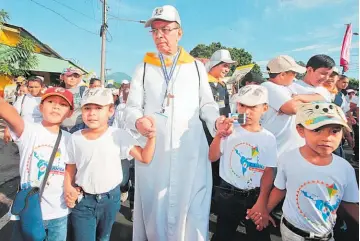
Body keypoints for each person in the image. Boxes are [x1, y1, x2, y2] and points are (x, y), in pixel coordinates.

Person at [124, 5, 232, 241]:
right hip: (155, 152)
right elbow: (130, 108)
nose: (159, 35)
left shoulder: (195, 67)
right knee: (154, 212)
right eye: (154, 31)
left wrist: (217, 122)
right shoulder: (143, 68)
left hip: (190, 151)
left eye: (165, 29)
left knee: (192, 212)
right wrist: (137, 121)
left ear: (179, 32)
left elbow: (207, 105)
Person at [255, 102, 359, 241]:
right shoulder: (287, 159)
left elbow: (350, 203)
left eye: (335, 131)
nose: (327, 138)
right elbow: (280, 189)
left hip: (326, 235)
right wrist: (265, 211)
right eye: (317, 130)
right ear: (300, 130)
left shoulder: (345, 168)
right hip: (291, 233)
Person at [64, 88, 156, 241]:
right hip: (83, 201)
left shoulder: (118, 135)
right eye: (87, 108)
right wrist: (68, 186)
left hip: (110, 199)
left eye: (99, 108)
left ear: (111, 110)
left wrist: (151, 138)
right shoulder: (75, 138)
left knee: (104, 237)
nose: (92, 113)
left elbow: (144, 157)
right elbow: (70, 166)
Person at [0, 87, 74, 241]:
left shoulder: (71, 139)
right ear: (41, 107)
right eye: (51, 101)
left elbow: (70, 165)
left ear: (70, 113)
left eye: (62, 104)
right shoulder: (29, 131)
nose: (55, 106)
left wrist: (71, 186)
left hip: (59, 213)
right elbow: (7, 110)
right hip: (28, 211)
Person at [210, 85, 277, 241]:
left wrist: (262, 201)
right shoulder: (229, 131)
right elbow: (212, 157)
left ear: (265, 108)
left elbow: (269, 170)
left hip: (254, 196)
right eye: (242, 105)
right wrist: (219, 135)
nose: (246, 111)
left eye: (253, 106)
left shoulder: (268, 138)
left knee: (259, 235)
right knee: (223, 234)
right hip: (227, 194)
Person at [261, 55, 307, 157]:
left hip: (288, 151)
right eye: (293, 73)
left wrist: (297, 100)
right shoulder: (268, 87)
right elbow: (293, 108)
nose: (295, 77)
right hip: (279, 151)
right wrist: (297, 102)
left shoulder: (286, 88)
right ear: (282, 74)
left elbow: (318, 99)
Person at [3, 76, 44, 144]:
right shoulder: (22, 98)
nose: (33, 89)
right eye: (31, 87)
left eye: (36, 87)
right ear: (27, 87)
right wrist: (7, 130)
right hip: (23, 134)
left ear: (42, 87)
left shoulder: (46, 100)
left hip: (39, 135)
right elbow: (13, 115)